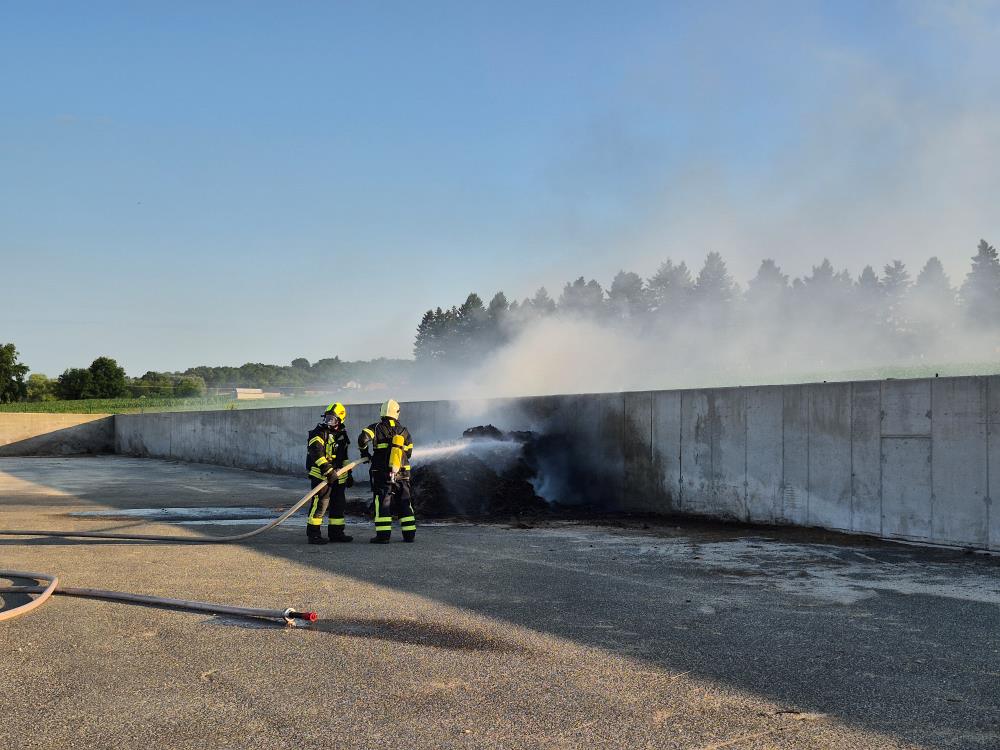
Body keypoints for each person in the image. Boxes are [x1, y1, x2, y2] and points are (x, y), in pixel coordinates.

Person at [357, 398, 415, 544]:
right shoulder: (404, 430)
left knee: (383, 502)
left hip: (382, 472)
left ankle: (383, 536)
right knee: (404, 502)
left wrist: (365, 453)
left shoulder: (375, 428)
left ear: (382, 412)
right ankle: (409, 535)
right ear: (397, 413)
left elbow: (362, 439)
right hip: (402, 473)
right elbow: (408, 453)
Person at [305, 402, 354, 544]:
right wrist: (328, 470)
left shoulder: (342, 435)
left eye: (332, 419)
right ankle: (313, 535)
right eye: (327, 418)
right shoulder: (318, 433)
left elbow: (344, 457)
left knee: (338, 505)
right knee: (320, 505)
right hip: (321, 476)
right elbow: (316, 452)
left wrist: (349, 474)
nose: (329, 421)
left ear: (340, 420)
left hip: (338, 477)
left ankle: (336, 533)